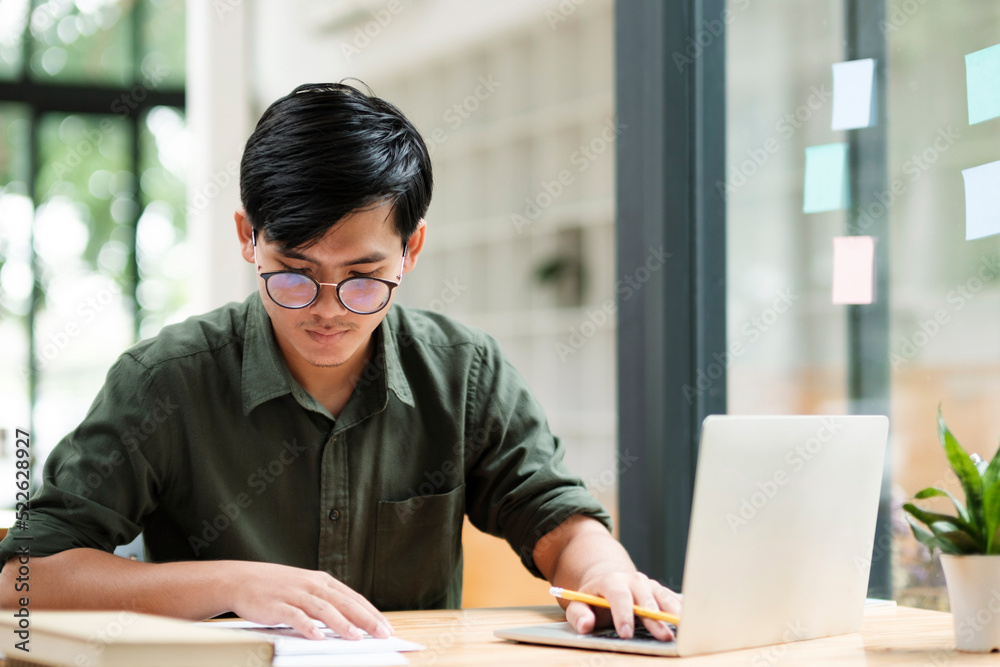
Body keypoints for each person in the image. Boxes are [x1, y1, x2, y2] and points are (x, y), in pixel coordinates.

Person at [0, 82, 681, 642]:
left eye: (362, 277)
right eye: (293, 275)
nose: (327, 309)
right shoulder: (165, 381)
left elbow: (554, 520)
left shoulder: (462, 372)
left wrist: (604, 570)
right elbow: (22, 580)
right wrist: (233, 583)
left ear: (411, 250)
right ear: (248, 238)